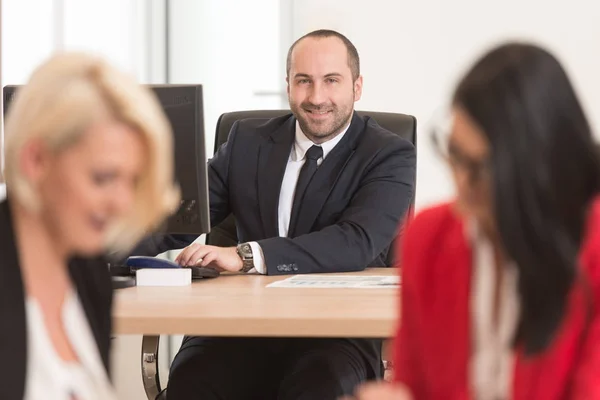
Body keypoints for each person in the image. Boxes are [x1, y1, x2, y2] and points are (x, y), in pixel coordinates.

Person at [160, 29, 416, 399]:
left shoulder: (389, 153)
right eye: (303, 81)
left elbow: (356, 240)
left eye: (331, 81)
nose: (316, 97)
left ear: (357, 87)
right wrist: (98, 249)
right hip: (240, 325)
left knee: (318, 387)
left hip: (333, 334)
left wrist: (246, 255)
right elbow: (182, 216)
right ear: (288, 85)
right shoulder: (246, 140)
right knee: (192, 381)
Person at [348, 42, 600, 400]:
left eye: (479, 167)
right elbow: (415, 384)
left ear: (540, 168)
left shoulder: (591, 251)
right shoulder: (430, 238)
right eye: (454, 153)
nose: (460, 183)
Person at [0, 52, 179, 400]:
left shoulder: (88, 270)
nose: (122, 203)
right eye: (103, 177)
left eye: (132, 181)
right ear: (36, 160)